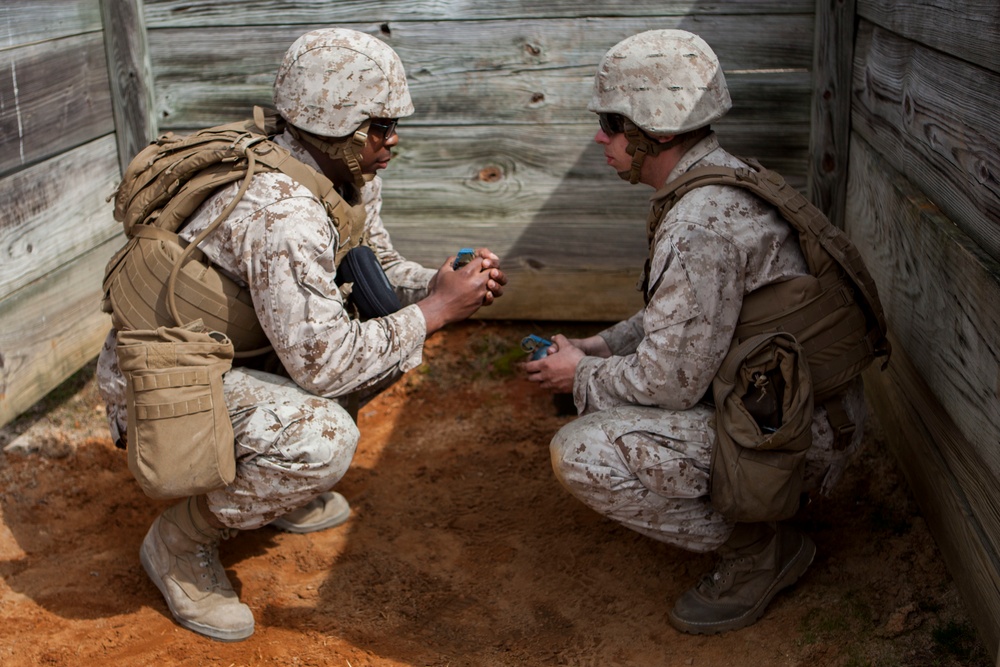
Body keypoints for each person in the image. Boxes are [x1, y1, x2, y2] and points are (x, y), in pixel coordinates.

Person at [96, 27, 506, 641]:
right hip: (165, 380)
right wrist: (438, 312)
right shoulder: (282, 210)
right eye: (379, 125)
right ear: (334, 121)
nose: (392, 139)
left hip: (240, 348)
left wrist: (440, 284)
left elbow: (375, 266)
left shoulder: (346, 174)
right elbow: (327, 366)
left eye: (393, 123)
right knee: (324, 439)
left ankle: (273, 483)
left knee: (387, 337)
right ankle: (181, 542)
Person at [524, 29, 870, 634]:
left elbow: (670, 384)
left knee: (583, 452)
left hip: (798, 439)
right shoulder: (719, 179)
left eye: (611, 121)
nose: (600, 137)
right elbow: (680, 320)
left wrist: (577, 376)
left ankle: (761, 552)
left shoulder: (696, 226)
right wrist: (599, 347)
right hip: (800, 411)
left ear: (653, 131)